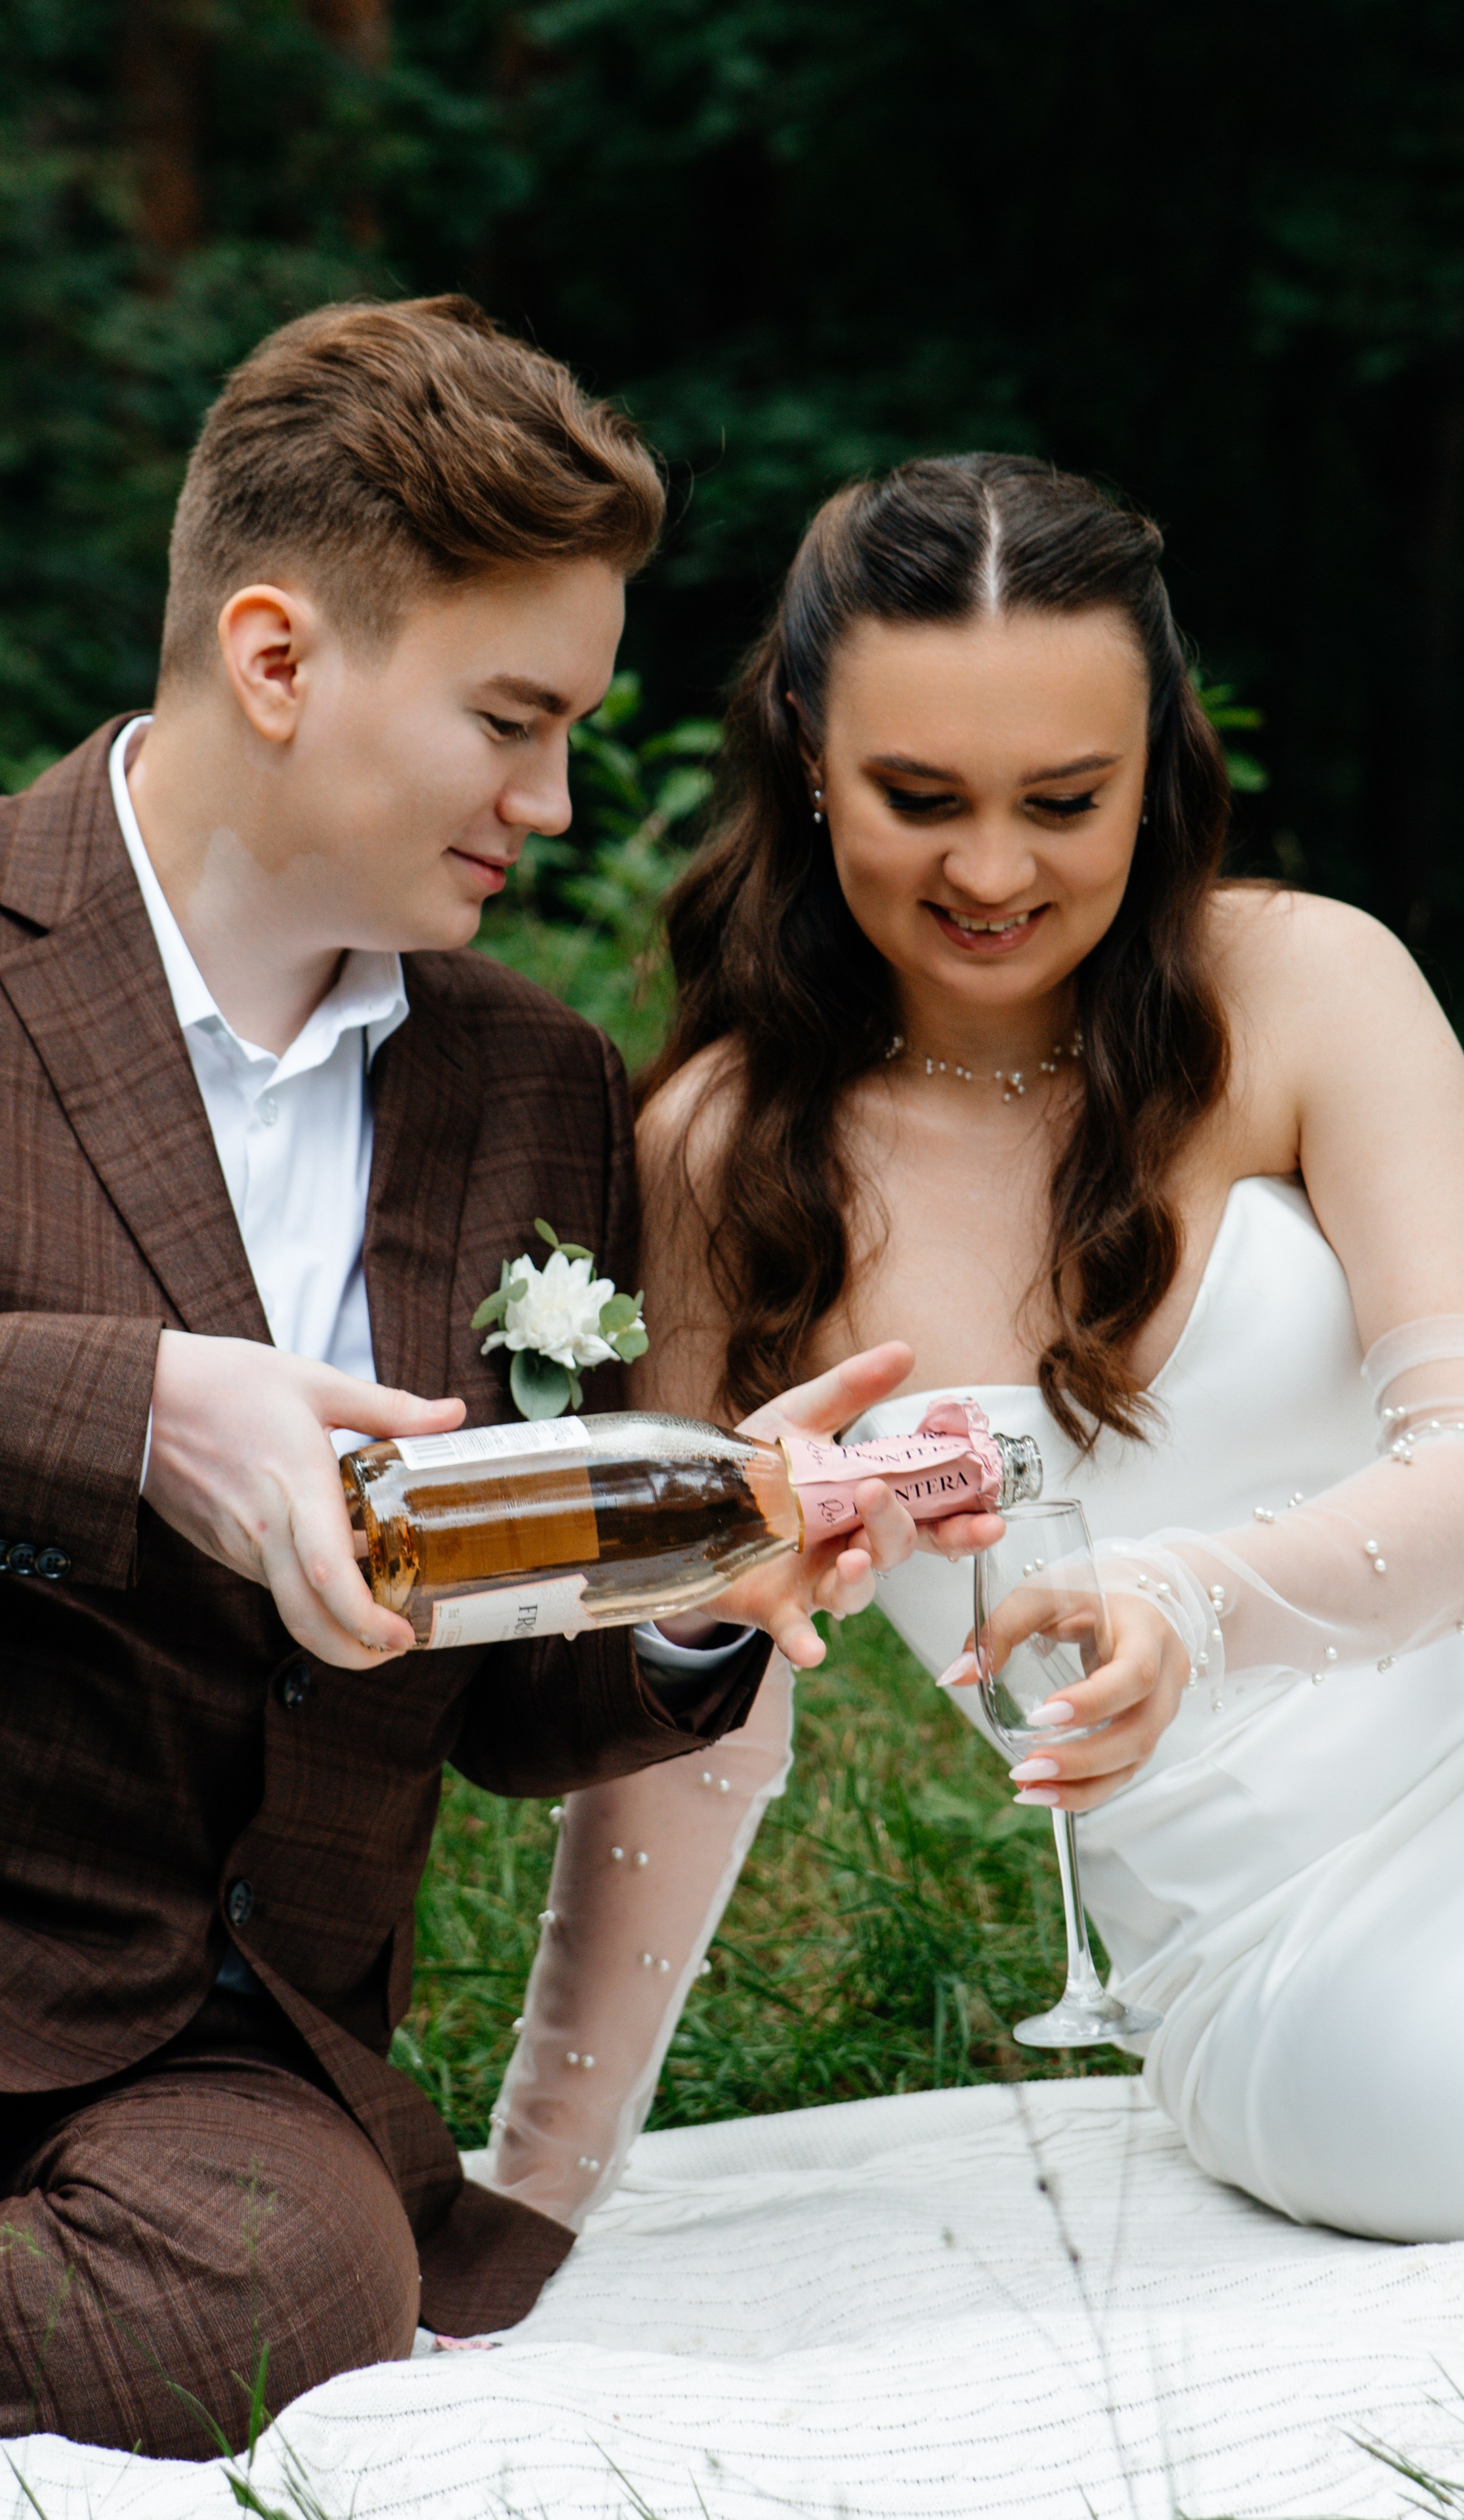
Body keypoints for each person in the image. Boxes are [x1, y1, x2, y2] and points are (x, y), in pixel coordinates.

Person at [0, 296, 1001, 2466]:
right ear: (277, 660)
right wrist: (131, 1409)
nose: (554, 798)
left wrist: (714, 1563)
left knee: (287, 2304)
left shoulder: (540, 1088)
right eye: (512, 721)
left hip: (223, 2041)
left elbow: (510, 1687)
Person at [481, 452, 1464, 2247]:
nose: (994, 871)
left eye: (1066, 798)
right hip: (1283, 1947)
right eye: (919, 796)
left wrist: (1195, 1599)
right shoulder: (722, 1155)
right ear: (803, 751)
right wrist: (538, 2189)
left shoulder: (1316, 987)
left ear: (1158, 758)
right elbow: (694, 1715)